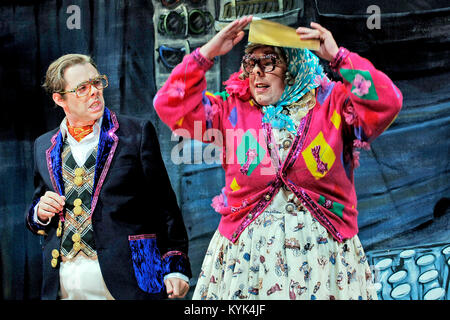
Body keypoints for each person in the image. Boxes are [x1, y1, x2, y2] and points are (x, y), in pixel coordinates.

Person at [154, 16, 402, 300]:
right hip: (246, 264)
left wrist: (339, 57)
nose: (257, 73)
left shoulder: (331, 103)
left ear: (293, 64)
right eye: (250, 62)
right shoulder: (231, 109)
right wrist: (206, 54)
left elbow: (388, 102)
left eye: (269, 61)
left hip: (323, 259)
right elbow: (168, 104)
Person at [25, 54, 191, 300]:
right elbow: (39, 206)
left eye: (97, 82)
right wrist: (39, 212)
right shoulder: (43, 146)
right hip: (65, 284)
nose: (94, 92)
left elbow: (165, 208)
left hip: (131, 281)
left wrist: (175, 268)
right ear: (60, 99)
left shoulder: (135, 133)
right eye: (82, 88)